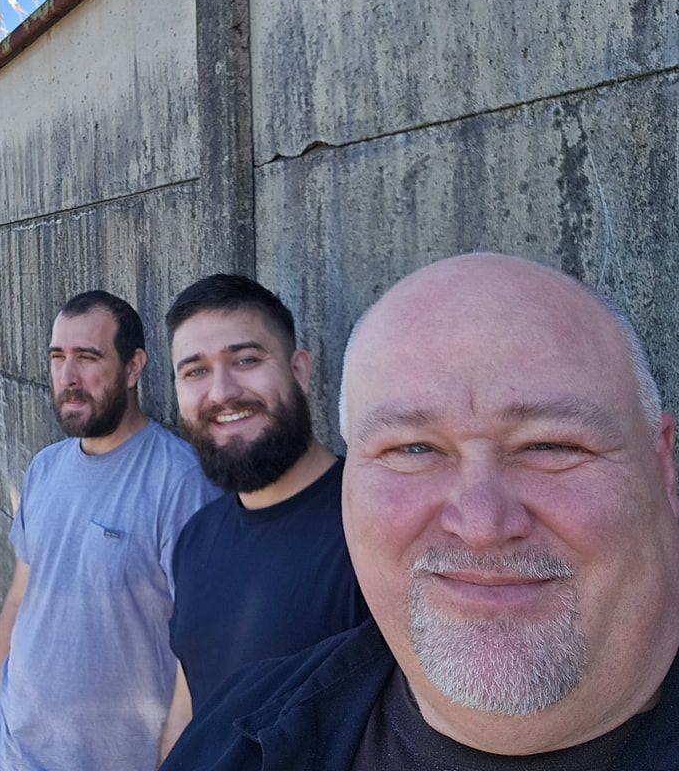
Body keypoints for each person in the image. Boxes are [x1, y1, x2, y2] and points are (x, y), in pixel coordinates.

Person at [161, 253, 679, 770]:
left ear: (664, 467)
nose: (481, 526)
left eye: (550, 445)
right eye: (414, 449)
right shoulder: (237, 730)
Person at [0, 290, 220, 771]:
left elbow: (204, 651)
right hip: (16, 752)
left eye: (87, 358)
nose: (68, 377)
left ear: (133, 368)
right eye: (57, 358)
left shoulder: (180, 482)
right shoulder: (44, 468)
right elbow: (19, 602)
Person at [158, 274, 370, 758]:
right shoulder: (195, 539)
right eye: (194, 371)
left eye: (246, 361)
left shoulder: (370, 527)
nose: (222, 392)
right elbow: (189, 706)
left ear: (299, 370)